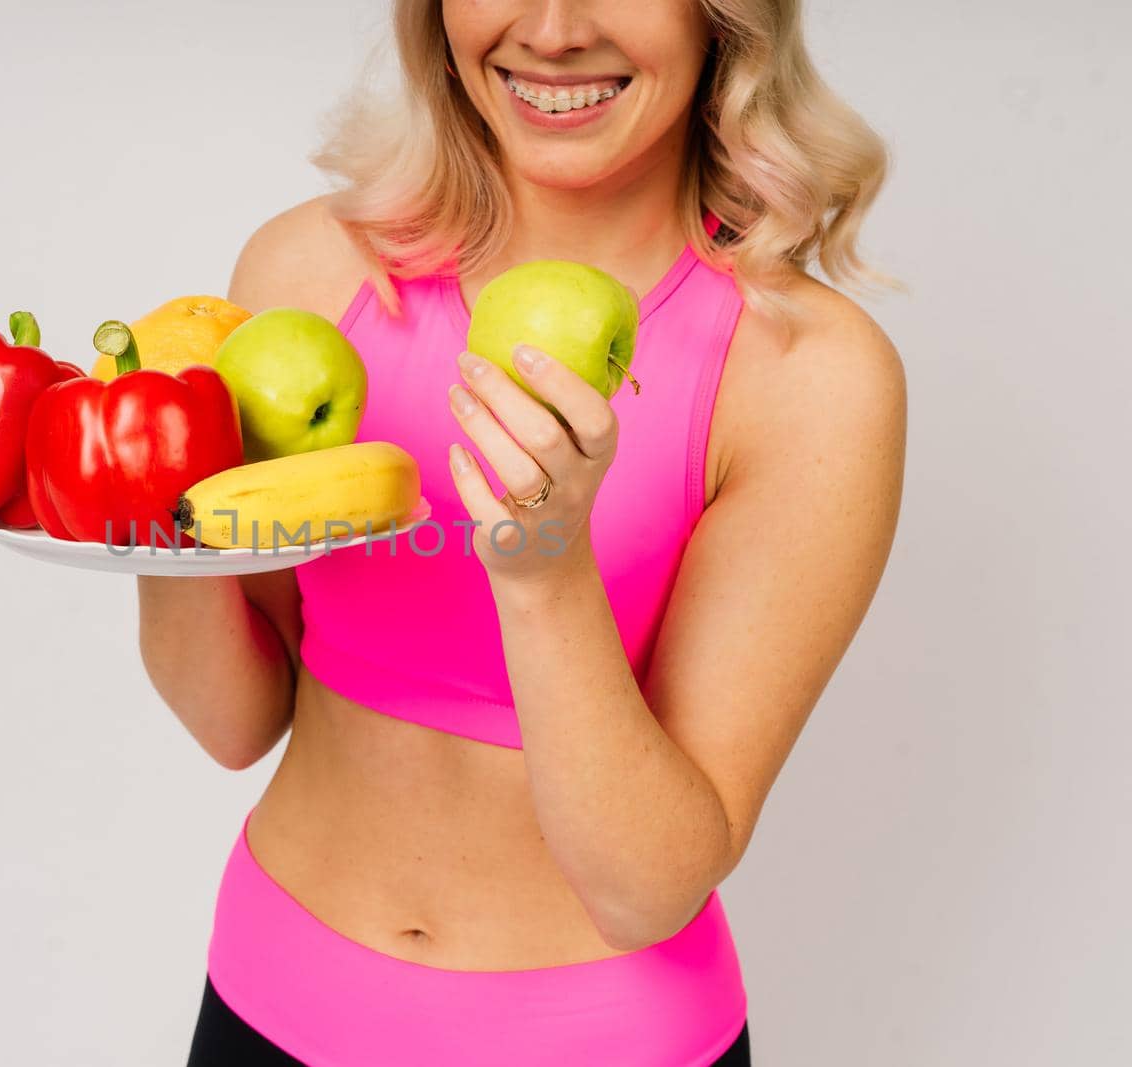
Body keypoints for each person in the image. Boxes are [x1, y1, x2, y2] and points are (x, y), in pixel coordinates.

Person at [141, 1, 906, 1063]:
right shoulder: (310, 275)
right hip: (268, 1003)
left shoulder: (804, 376)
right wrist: (148, 505)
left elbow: (646, 887)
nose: (550, 32)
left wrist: (543, 566)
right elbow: (234, 719)